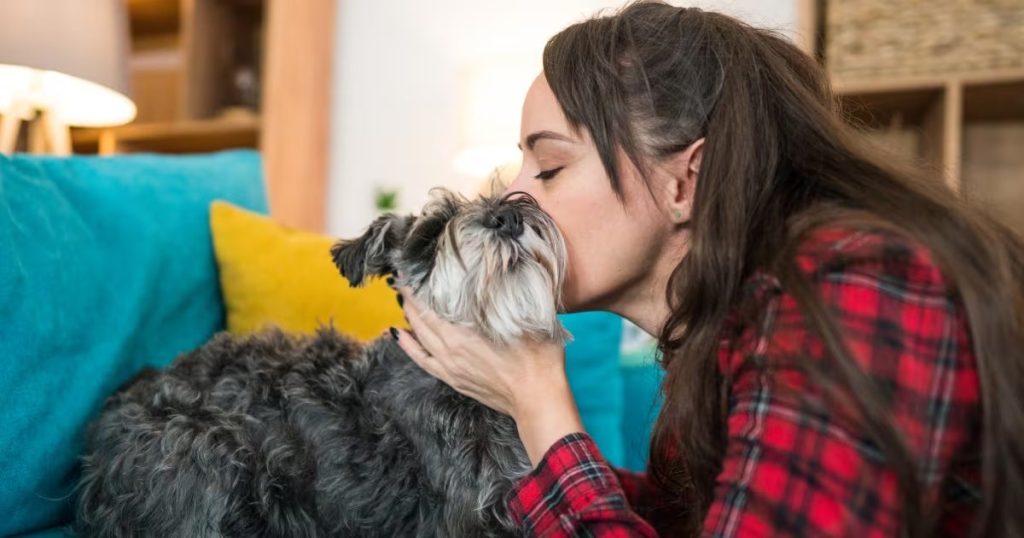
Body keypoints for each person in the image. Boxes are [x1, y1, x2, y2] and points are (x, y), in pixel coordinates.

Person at [391, 2, 1024, 536]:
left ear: (686, 181)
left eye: (550, 168)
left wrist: (539, 401)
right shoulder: (713, 345)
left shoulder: (853, 285)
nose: (510, 198)